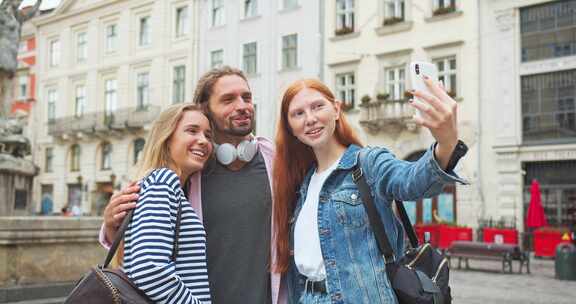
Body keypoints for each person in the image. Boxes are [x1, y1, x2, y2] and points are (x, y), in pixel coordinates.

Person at [272, 78, 468, 303]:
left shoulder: (368, 163)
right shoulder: (301, 184)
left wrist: (446, 143)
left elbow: (413, 181)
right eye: (298, 113)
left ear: (336, 109)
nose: (310, 118)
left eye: (318, 106)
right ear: (291, 128)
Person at [100, 67, 285, 304]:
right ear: (206, 109)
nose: (242, 106)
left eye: (246, 97)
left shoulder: (275, 160)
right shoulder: (189, 171)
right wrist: (110, 224)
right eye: (228, 99)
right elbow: (144, 257)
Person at [121, 103, 213, 303]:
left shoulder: (160, 183)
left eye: (208, 135)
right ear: (166, 138)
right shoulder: (163, 181)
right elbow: (149, 270)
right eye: (192, 131)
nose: (203, 141)